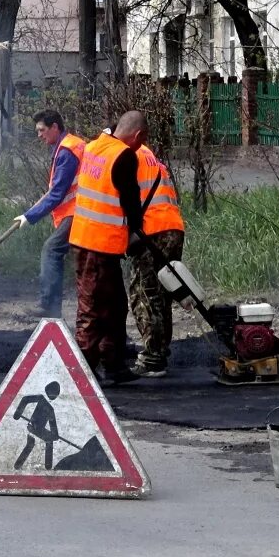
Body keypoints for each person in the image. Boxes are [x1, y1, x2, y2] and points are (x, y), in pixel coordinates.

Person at [68, 110, 149, 386]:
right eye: (142, 141)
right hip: (99, 245)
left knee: (113, 306)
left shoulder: (93, 146)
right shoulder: (124, 155)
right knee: (94, 309)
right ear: (137, 136)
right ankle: (84, 371)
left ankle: (111, 364)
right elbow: (131, 200)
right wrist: (137, 233)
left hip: (85, 239)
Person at [14, 109, 87, 318]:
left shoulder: (67, 151)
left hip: (78, 211)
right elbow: (54, 190)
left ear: (55, 127)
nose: (39, 135)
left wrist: (29, 217)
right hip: (84, 210)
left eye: (42, 130)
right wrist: (30, 211)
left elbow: (57, 193)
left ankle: (49, 306)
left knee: (51, 250)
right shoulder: (69, 145)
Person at [127, 139, 186, 378]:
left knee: (143, 293)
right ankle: (160, 351)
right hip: (173, 227)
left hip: (151, 232)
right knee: (163, 293)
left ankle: (153, 358)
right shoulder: (151, 157)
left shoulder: (128, 155)